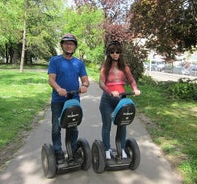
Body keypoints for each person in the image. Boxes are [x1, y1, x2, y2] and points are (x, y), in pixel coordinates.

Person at [47, 33, 89, 164]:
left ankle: (73, 150)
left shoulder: (79, 63)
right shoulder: (55, 60)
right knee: (56, 127)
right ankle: (58, 151)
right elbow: (51, 79)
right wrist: (58, 88)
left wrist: (84, 85)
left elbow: (85, 80)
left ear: (74, 46)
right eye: (66, 43)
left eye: (71, 44)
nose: (69, 46)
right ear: (62, 45)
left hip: (73, 99)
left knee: (73, 126)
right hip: (58, 100)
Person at [99, 41, 141, 159]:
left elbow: (132, 81)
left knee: (122, 125)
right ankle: (107, 149)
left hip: (121, 99)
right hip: (107, 100)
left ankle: (121, 148)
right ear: (109, 53)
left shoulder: (125, 68)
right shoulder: (105, 68)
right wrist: (110, 91)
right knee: (107, 125)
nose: (115, 54)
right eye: (112, 52)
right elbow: (101, 83)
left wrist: (135, 89)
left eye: (117, 52)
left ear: (120, 53)